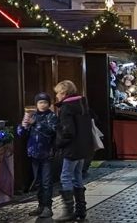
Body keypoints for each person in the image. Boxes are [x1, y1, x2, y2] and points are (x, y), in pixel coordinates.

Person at [53, 80, 94, 222]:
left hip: (71, 149)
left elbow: (67, 131)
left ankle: (68, 211)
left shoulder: (67, 108)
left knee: (65, 176)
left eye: (58, 93)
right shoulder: (82, 104)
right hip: (82, 147)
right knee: (77, 176)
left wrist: (59, 143)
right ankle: (81, 210)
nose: (57, 96)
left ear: (64, 93)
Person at [17, 92, 58, 218]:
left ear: (49, 104)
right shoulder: (32, 115)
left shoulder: (52, 116)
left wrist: (36, 124)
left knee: (46, 181)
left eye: (45, 102)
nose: (43, 105)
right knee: (38, 182)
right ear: (36, 104)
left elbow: (51, 131)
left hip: (47, 154)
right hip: (34, 153)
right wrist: (23, 126)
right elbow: (21, 134)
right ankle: (40, 206)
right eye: (40, 102)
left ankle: (48, 207)